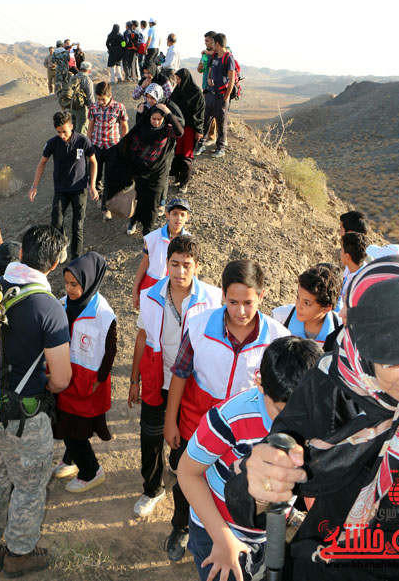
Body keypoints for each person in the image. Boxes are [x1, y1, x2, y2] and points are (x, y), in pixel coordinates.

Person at [224, 255, 399, 581]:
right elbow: (254, 482)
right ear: (362, 341)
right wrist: (262, 484)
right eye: (397, 355)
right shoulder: (329, 389)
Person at [162, 259, 291, 562]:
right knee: (187, 478)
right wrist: (171, 420)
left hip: (247, 433)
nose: (240, 311)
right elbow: (180, 372)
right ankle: (182, 526)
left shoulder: (278, 339)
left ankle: (232, 534)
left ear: (262, 295)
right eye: (233, 302)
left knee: (236, 486)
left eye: (248, 302)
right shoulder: (198, 324)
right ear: (222, 295)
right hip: (196, 423)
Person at [0, 225, 71, 577]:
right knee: (29, 483)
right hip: (23, 416)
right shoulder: (48, 307)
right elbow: (60, 379)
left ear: (22, 253)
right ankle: (18, 554)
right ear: (55, 263)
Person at [178, 337, 322, 581]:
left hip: (271, 532)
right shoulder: (229, 418)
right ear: (260, 384)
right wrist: (223, 540)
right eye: (280, 410)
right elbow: (187, 473)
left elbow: (311, 480)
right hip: (217, 530)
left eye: (302, 412)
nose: (292, 422)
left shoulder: (318, 419)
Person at [128, 235, 222, 519]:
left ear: (197, 267)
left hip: (193, 385)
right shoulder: (150, 296)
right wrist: (134, 380)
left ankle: (178, 472)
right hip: (158, 380)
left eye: (187, 265)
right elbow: (142, 337)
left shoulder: (213, 299)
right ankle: (152, 488)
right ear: (166, 264)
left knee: (187, 438)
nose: (180, 272)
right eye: (175, 264)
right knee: (150, 436)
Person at [52, 252, 117, 492]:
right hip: (64, 378)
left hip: (87, 383)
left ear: (89, 282)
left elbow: (111, 351)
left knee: (75, 431)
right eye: (66, 283)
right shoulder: (61, 304)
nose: (68, 289)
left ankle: (91, 471)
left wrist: (99, 380)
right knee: (66, 422)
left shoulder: (104, 314)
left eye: (74, 284)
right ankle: (71, 460)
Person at [28, 110, 98, 260]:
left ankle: (76, 257)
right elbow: (42, 164)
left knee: (77, 225)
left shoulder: (83, 141)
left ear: (72, 126)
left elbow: (93, 162)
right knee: (56, 223)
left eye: (64, 132)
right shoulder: (52, 143)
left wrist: (92, 185)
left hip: (79, 189)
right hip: (61, 189)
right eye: (59, 132)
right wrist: (34, 186)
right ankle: (63, 244)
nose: (62, 135)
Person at [124, 102, 184, 236]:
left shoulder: (166, 130)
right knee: (137, 199)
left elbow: (180, 132)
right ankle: (133, 221)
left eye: (159, 119)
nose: (156, 122)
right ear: (149, 117)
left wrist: (168, 113)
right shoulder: (142, 129)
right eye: (154, 119)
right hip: (140, 172)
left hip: (156, 174)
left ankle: (147, 232)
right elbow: (132, 150)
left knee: (152, 206)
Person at [131, 197, 191, 309]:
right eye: (175, 214)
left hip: (178, 288)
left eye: (182, 215)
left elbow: (193, 270)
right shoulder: (152, 238)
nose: (178, 218)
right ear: (167, 215)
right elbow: (144, 264)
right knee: (147, 323)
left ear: (187, 217)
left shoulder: (190, 242)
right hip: (152, 286)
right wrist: (135, 291)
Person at [86, 81, 129, 221]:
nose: (101, 102)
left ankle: (106, 207)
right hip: (97, 147)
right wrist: (88, 145)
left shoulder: (119, 107)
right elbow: (90, 127)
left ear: (110, 95)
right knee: (95, 176)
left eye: (103, 99)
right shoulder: (93, 108)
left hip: (112, 147)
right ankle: (100, 196)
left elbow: (124, 126)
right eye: (98, 99)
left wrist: (123, 144)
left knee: (110, 178)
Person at [272, 264, 342, 345]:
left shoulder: (341, 329)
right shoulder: (279, 319)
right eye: (298, 297)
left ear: (327, 307)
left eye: (307, 303)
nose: (298, 306)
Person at [195, 33, 235, 159]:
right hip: (211, 94)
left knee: (221, 122)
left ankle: (220, 147)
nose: (210, 45)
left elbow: (232, 79)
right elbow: (210, 70)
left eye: (212, 43)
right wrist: (209, 79)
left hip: (221, 96)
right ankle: (201, 144)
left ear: (217, 43)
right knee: (206, 119)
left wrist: (226, 97)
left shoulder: (228, 58)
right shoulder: (214, 57)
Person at [169, 69, 205, 192]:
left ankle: (185, 182)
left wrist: (199, 130)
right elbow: (171, 105)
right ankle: (177, 178)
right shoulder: (177, 90)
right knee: (177, 152)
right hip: (178, 127)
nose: (177, 82)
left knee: (186, 155)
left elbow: (200, 114)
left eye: (179, 80)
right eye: (176, 80)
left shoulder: (196, 93)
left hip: (190, 128)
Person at [68, 61, 96, 136]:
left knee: (71, 131)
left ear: (80, 68)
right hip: (81, 109)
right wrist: (93, 112)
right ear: (89, 71)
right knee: (81, 132)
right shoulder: (88, 80)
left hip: (71, 107)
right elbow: (91, 99)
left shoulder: (72, 78)